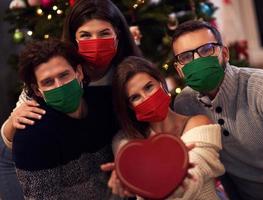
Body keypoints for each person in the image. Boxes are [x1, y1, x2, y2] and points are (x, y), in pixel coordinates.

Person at [0, 0, 141, 198]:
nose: (96, 41)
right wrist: (12, 123)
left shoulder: (127, 74)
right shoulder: (53, 65)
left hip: (79, 159)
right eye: (85, 35)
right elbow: (13, 138)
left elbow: (126, 127)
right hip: (19, 155)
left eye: (104, 33)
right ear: (74, 39)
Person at [171, 20, 263, 200]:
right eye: (186, 57)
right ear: (179, 70)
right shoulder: (185, 104)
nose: (198, 60)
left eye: (206, 50)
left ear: (224, 53)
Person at [12, 39, 122, 199]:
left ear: (79, 73)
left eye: (64, 75)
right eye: (48, 82)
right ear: (37, 90)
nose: (59, 86)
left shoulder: (107, 102)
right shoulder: (31, 135)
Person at [106, 56, 225, 199]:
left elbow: (193, 180)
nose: (146, 98)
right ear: (130, 107)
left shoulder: (199, 124)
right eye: (135, 97)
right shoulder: (132, 145)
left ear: (162, 83)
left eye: (149, 87)